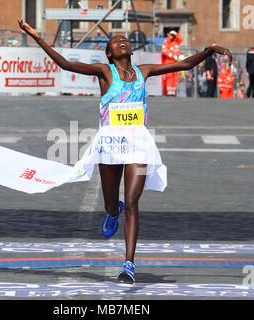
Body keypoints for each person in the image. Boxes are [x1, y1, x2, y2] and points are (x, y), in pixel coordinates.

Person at [18, 18, 232, 284]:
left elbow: (184, 64)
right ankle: (111, 211)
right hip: (109, 144)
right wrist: (38, 39)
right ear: (109, 53)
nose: (121, 41)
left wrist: (209, 51)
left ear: (131, 50)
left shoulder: (145, 71)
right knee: (113, 203)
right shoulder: (104, 72)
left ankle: (129, 264)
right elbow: (67, 64)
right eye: (115, 41)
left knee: (132, 202)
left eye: (125, 40)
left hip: (138, 145)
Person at [161, 30, 183, 96]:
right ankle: (169, 92)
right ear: (168, 35)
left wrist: (176, 34)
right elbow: (164, 50)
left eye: (173, 35)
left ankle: (173, 91)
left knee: (175, 76)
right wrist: (173, 56)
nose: (172, 36)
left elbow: (181, 39)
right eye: (171, 35)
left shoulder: (176, 42)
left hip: (175, 61)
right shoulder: (166, 42)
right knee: (169, 76)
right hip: (168, 61)